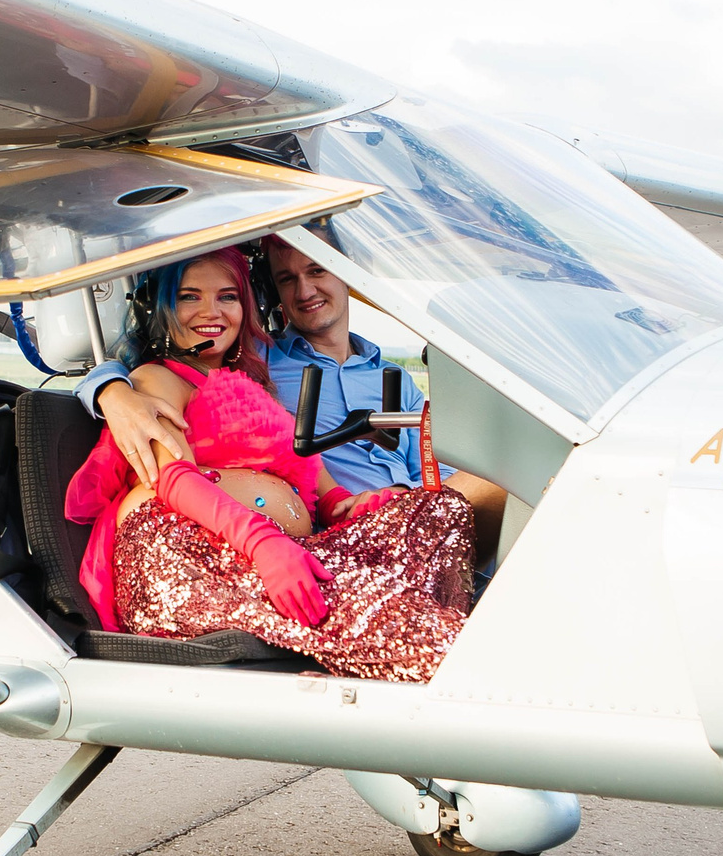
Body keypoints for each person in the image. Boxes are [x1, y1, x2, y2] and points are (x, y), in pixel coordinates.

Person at [62, 247, 475, 682]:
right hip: (188, 558)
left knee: (443, 509)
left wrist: (343, 504)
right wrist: (264, 544)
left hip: (270, 548)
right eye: (189, 297)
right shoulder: (158, 377)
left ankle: (389, 632)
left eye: (227, 297)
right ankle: (416, 647)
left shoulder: (250, 381)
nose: (211, 311)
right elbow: (173, 478)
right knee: (404, 626)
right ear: (157, 307)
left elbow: (310, 471)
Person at [79, 234, 509, 561]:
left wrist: (399, 502)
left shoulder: (395, 379)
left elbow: (438, 475)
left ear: (348, 277)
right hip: (328, 536)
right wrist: (110, 392)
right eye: (288, 279)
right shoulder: (254, 362)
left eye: (317, 271)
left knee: (517, 479)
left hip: (401, 518)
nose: (305, 291)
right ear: (274, 295)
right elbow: (154, 365)